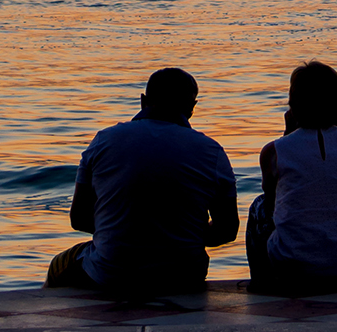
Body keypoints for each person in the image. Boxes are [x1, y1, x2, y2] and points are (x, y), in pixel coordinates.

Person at [45, 67, 237, 298]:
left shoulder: (103, 141)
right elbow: (227, 230)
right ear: (192, 107)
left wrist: (124, 229)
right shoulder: (212, 151)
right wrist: (178, 234)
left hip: (112, 273)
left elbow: (79, 219)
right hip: (184, 275)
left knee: (59, 265)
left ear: (143, 100)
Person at [246, 61, 337, 294]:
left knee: (259, 206)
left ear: (294, 105)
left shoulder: (273, 151)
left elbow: (272, 200)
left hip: (294, 270)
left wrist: (287, 135)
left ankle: (263, 281)